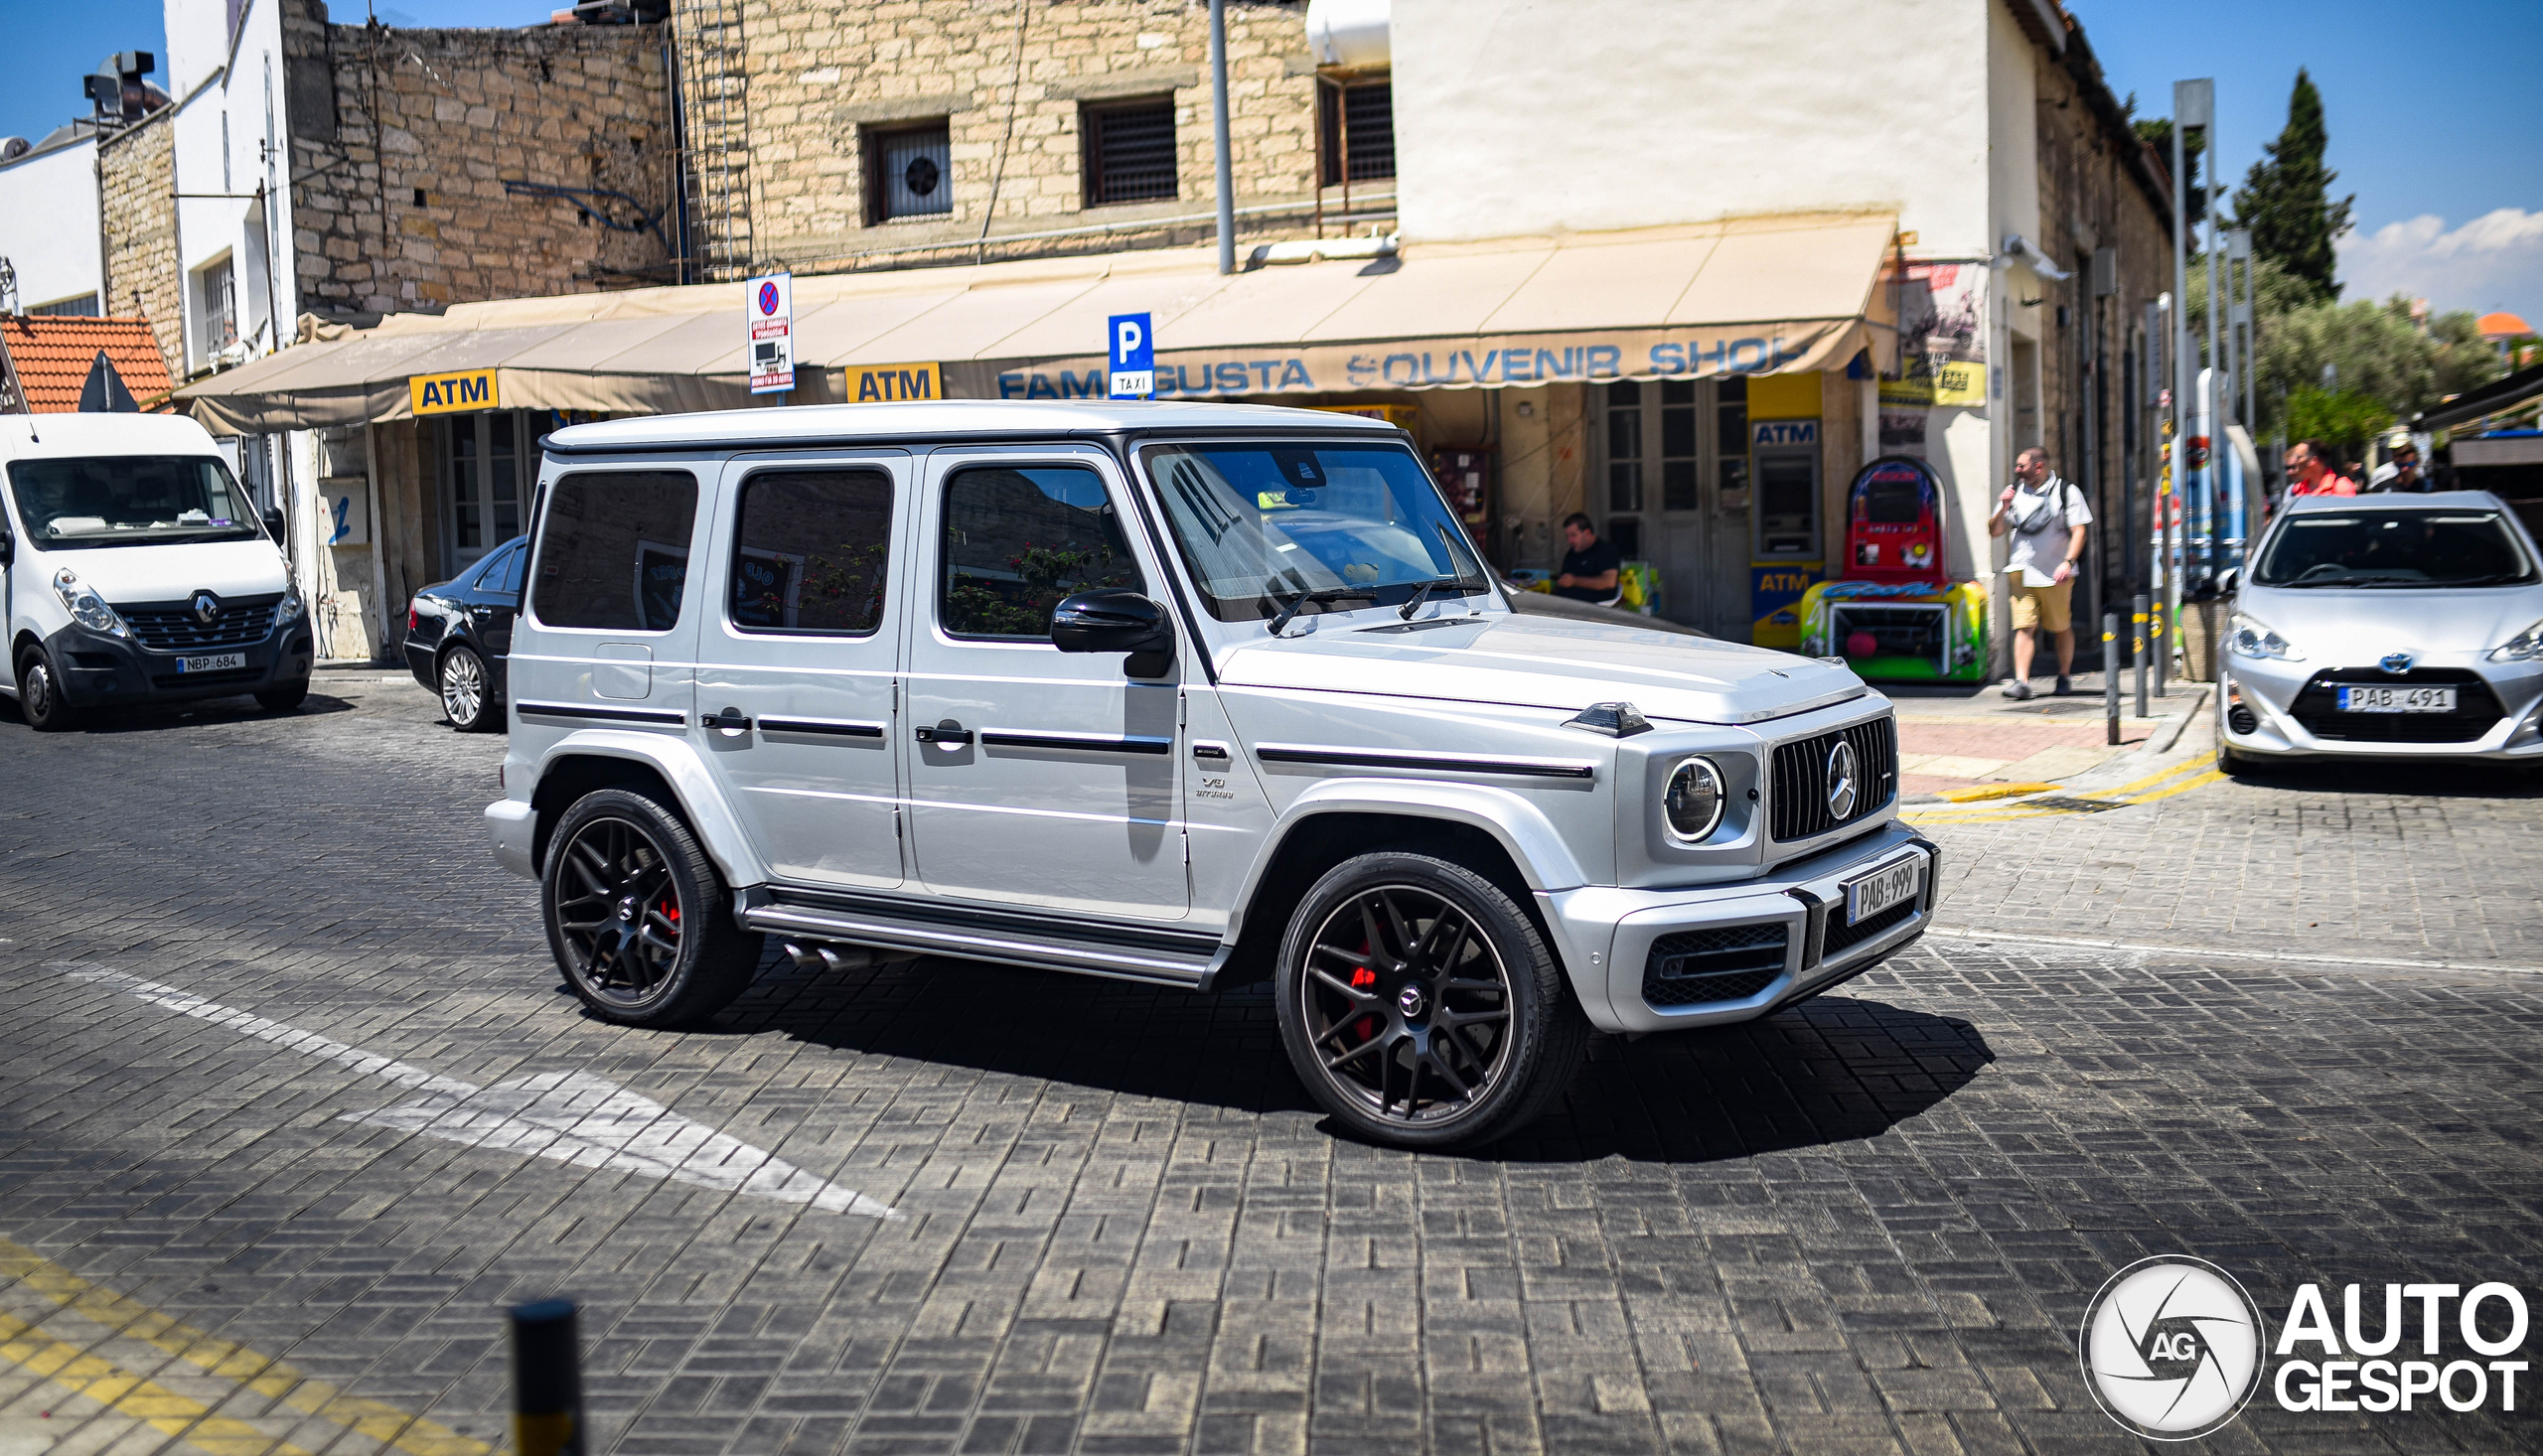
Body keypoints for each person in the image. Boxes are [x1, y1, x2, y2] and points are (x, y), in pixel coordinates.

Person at [1989, 447, 2091, 699]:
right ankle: (2021, 682)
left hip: (2055, 574)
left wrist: (2068, 562)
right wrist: (2003, 508)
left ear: (2039, 467)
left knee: (2060, 626)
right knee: (2024, 626)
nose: (2017, 470)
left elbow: (2079, 531)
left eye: (2021, 466)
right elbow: (1994, 530)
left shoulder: (2066, 492)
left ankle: (2064, 676)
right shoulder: (2014, 492)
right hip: (2021, 571)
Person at [1553, 512, 1621, 603]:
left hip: (1593, 606)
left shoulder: (1605, 550)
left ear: (1587, 533)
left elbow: (1609, 582)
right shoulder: (1572, 552)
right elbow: (1564, 579)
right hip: (1565, 603)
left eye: (1573, 535)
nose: (1569, 540)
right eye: (1567, 536)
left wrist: (1575, 581)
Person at [2284, 439, 2358, 498]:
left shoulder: (2341, 487)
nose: (2294, 462)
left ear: (2312, 460)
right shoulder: (2296, 490)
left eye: (2298, 457)